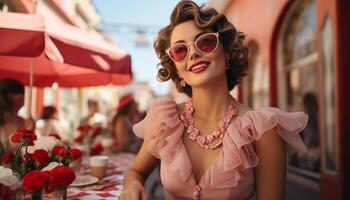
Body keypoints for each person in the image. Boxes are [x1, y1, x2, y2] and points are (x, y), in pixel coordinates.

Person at [120, 1, 308, 200]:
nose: (193, 53)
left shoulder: (263, 131)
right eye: (180, 50)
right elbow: (135, 172)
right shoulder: (165, 122)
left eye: (205, 42)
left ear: (227, 53)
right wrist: (133, 186)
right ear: (176, 69)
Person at [0, 78, 34, 159]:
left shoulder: (25, 122)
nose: (24, 97)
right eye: (20, 92)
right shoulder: (2, 122)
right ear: (9, 95)